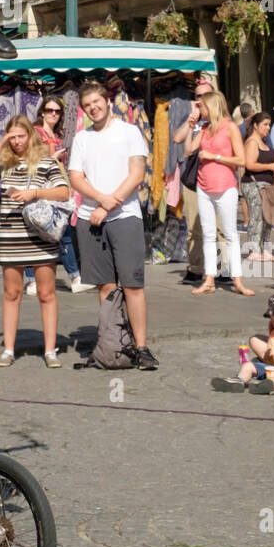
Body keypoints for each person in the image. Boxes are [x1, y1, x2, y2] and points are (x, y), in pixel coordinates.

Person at [68, 81, 159, 368]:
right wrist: (100, 201)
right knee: (105, 286)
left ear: (107, 101)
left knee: (133, 285)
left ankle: (141, 346)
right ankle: (112, 344)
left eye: (96, 102)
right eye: (87, 105)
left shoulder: (129, 131)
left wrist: (109, 205)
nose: (93, 108)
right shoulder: (82, 138)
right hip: (90, 218)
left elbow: (136, 174)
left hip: (125, 216)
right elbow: (76, 177)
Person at [0, 113, 70, 368]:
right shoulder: (5, 163)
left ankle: (50, 350)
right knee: (11, 293)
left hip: (40, 236)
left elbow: (64, 192)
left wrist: (35, 192)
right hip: (11, 236)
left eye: (21, 136)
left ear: (30, 136)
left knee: (46, 293)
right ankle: (9, 349)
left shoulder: (45, 162)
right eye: (13, 137)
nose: (17, 141)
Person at [183, 89, 252, 296]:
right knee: (208, 233)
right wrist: (190, 127)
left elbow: (241, 160)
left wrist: (215, 157)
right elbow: (188, 151)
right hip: (204, 185)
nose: (199, 109)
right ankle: (209, 279)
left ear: (211, 106)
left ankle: (237, 280)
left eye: (202, 106)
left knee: (230, 233)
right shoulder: (205, 128)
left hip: (225, 186)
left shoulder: (230, 127)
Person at [29, 95, 92, 295]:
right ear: (42, 112)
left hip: (55, 189)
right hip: (40, 188)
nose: (53, 114)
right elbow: (30, 159)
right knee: (37, 232)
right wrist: (52, 158)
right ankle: (33, 280)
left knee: (62, 230)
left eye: (57, 111)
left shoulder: (56, 134)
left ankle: (75, 277)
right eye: (49, 110)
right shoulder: (36, 133)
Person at [171, 78, 228, 284]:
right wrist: (191, 120)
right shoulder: (193, 120)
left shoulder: (222, 122)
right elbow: (177, 139)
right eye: (197, 96)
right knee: (194, 227)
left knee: (220, 226)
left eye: (205, 95)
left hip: (218, 180)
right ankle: (196, 267)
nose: (200, 99)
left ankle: (222, 269)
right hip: (192, 180)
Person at [241, 111, 274, 263]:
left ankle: (265, 249)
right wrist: (271, 166)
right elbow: (249, 164)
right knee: (256, 217)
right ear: (255, 125)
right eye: (265, 125)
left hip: (267, 185)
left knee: (268, 217)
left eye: (269, 124)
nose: (268, 128)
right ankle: (253, 250)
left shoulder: (264, 142)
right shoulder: (252, 142)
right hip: (253, 184)